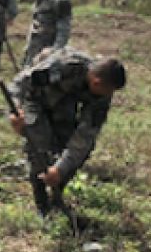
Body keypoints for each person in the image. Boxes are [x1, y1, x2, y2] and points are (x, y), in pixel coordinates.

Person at [7, 47, 126, 216]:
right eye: (108, 91)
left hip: (64, 102)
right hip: (34, 99)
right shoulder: (63, 65)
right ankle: (42, 204)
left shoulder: (103, 93)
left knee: (67, 146)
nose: (109, 96)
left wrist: (60, 169)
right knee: (39, 147)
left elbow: (85, 136)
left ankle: (56, 197)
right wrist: (14, 113)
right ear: (96, 83)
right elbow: (20, 84)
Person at [23, 0, 72, 67]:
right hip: (33, 55)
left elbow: (63, 32)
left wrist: (53, 54)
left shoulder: (60, 0)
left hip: (46, 59)